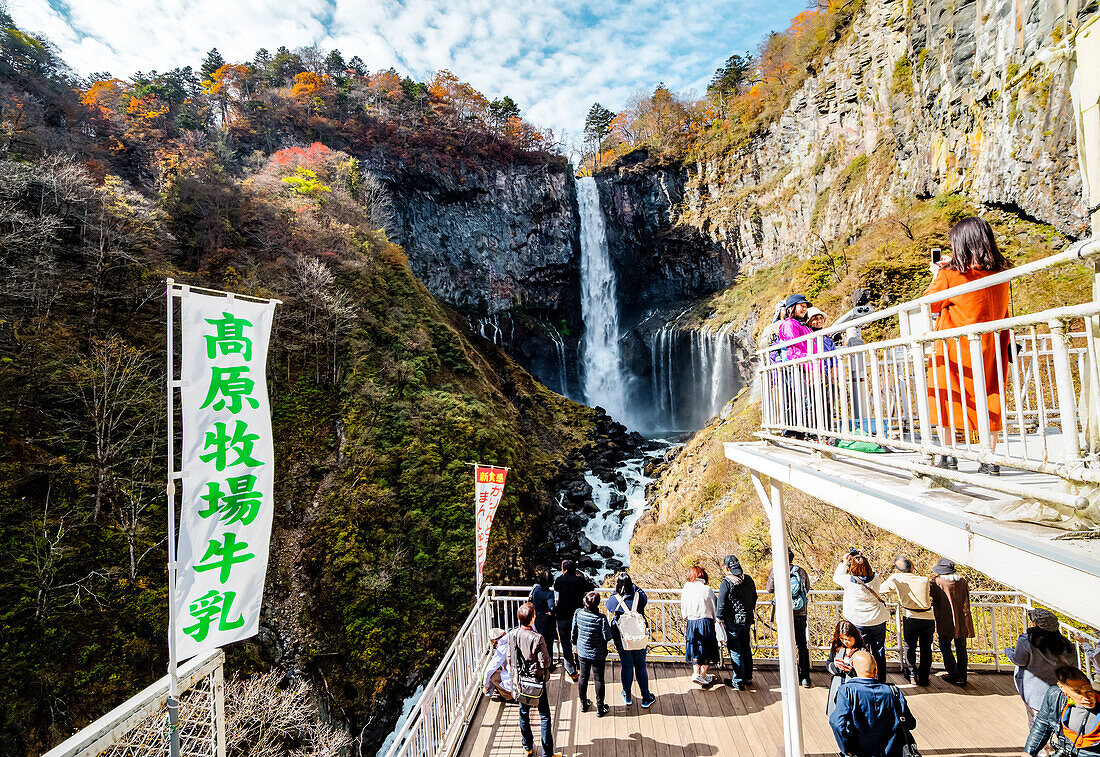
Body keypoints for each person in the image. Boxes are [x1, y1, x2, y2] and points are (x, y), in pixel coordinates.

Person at [925, 216, 1012, 474]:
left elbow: (930, 304)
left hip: (954, 344)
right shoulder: (1002, 271)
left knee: (944, 392)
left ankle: (948, 454)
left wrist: (937, 274)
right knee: (991, 392)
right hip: (992, 342)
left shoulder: (951, 274)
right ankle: (989, 456)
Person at [829, 650, 917, 757]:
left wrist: (846, 748)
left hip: (859, 751)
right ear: (875, 671)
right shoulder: (893, 691)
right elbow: (910, 723)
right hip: (890, 752)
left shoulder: (846, 691)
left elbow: (837, 722)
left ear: (852, 665)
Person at [1006, 608, 1079, 730]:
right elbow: (1073, 668)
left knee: (1036, 724)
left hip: (1033, 692)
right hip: (1060, 692)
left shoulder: (1027, 641)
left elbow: (1019, 660)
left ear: (1035, 624)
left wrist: (1008, 651)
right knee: (1060, 723)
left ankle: (1042, 749)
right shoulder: (1067, 645)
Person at [512, 602, 562, 757]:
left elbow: (512, 658)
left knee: (523, 712)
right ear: (532, 619)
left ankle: (527, 746)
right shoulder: (537, 638)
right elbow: (545, 662)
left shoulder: (513, 635)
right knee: (544, 715)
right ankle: (547, 753)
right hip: (536, 680)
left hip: (521, 680)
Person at [834, 549, 890, 683]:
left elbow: (836, 577)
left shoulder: (848, 581)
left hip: (857, 622)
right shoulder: (876, 578)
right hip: (877, 620)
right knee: (879, 653)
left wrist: (845, 562)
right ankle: (881, 681)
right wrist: (861, 559)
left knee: (858, 652)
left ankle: (861, 680)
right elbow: (868, 571)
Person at [880, 555, 936, 686]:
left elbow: (880, 589)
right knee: (926, 648)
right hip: (928, 617)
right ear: (912, 567)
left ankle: (911, 674)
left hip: (910, 617)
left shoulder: (897, 578)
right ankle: (924, 676)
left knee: (910, 647)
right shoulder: (924, 580)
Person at [1023, 666, 1100, 756]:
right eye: (1078, 692)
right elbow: (1042, 725)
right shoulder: (1054, 696)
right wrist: (1028, 753)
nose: (1086, 697)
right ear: (1061, 687)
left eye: (1088, 690)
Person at [605, 572, 656, 708]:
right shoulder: (639, 597)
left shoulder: (615, 599)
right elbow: (642, 595)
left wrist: (616, 591)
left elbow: (609, 607)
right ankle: (646, 697)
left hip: (622, 638)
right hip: (638, 635)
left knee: (627, 666)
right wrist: (633, 586)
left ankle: (627, 695)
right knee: (640, 666)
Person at [767, 549, 813, 687]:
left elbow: (769, 589)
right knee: (802, 645)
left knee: (786, 644)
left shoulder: (777, 570)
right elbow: (807, 588)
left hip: (784, 613)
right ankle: (805, 677)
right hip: (800, 612)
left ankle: (789, 676)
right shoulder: (801, 571)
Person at [930, 557, 974, 687]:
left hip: (946, 621)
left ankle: (954, 674)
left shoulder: (938, 582)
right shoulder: (962, 581)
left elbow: (931, 597)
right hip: (962, 621)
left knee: (945, 647)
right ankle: (963, 676)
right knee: (961, 649)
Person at [717, 554, 758, 690]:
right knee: (746, 648)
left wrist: (719, 618)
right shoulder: (748, 579)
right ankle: (747, 677)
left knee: (735, 650)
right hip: (747, 620)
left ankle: (738, 681)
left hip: (733, 621)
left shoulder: (727, 583)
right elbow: (754, 597)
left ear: (727, 568)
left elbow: (721, 603)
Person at [572, 590, 613, 716]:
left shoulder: (578, 613)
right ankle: (600, 708)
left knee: (583, 677)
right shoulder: (601, 618)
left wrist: (574, 644)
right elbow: (607, 636)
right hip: (598, 653)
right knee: (598, 679)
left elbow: (574, 632)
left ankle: (583, 704)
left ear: (586, 602)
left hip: (582, 651)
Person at [554, 559, 593, 682]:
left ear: (564, 569)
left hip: (563, 616)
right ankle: (581, 667)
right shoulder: (580, 580)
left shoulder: (560, 580)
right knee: (578, 642)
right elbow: (591, 587)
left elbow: (555, 587)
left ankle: (571, 671)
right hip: (577, 617)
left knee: (565, 644)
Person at [681, 565, 720, 688]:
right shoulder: (707, 589)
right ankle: (703, 675)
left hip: (692, 622)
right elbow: (715, 607)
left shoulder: (686, 588)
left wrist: (686, 616)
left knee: (694, 646)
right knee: (706, 648)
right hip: (705, 621)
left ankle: (695, 673)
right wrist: (716, 620)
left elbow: (684, 608)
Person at [826, 620, 866, 715]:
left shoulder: (862, 650)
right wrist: (835, 666)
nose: (845, 642)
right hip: (837, 685)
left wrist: (851, 671)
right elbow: (828, 664)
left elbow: (867, 672)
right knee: (836, 714)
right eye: (842, 639)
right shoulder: (837, 647)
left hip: (854, 688)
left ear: (855, 637)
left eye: (848, 639)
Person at [529, 570, 557, 672]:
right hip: (546, 621)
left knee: (538, 641)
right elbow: (552, 608)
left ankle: (539, 662)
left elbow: (531, 600)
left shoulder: (536, 589)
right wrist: (551, 612)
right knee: (548, 643)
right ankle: (549, 665)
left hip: (537, 618)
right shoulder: (549, 593)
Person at [483, 627, 514, 701]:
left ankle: (509, 697)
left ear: (495, 641)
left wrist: (486, 686)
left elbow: (489, 671)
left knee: (493, 676)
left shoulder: (501, 649)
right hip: (527, 675)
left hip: (515, 679)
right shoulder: (514, 639)